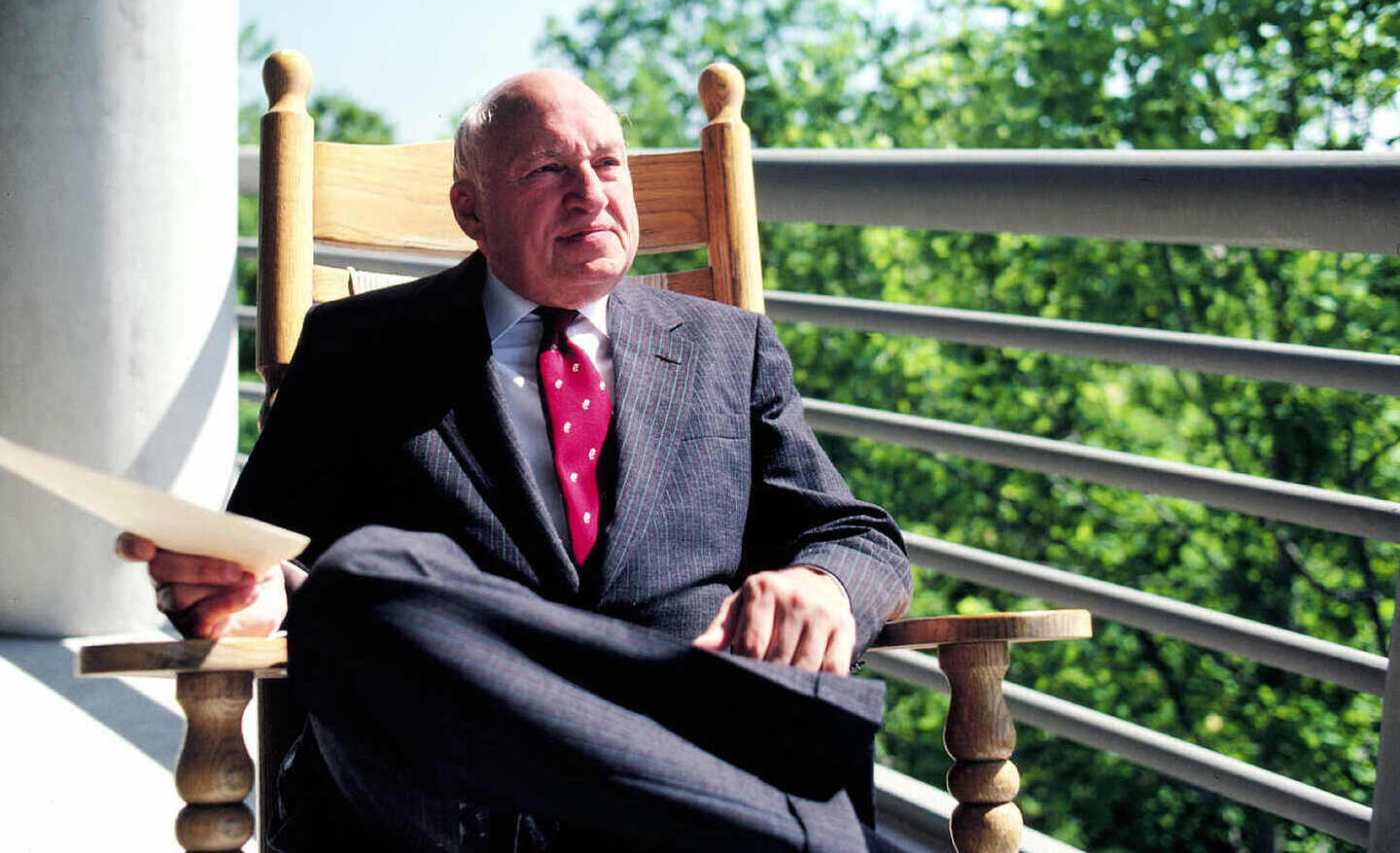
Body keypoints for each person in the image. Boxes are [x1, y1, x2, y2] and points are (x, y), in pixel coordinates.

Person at [118, 70, 911, 852]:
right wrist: (246, 593)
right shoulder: (353, 350)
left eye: (608, 163)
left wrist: (822, 584)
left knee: (360, 586)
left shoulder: (727, 350)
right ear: (471, 208)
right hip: (447, 812)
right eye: (547, 170)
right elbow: (260, 563)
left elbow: (859, 534)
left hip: (679, 787)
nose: (592, 194)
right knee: (365, 583)